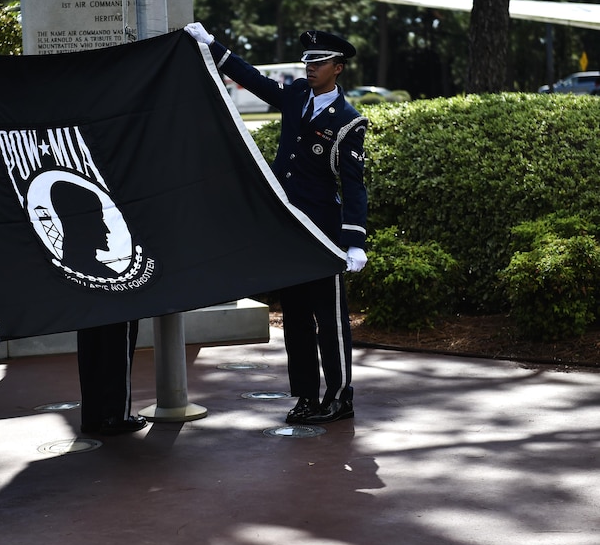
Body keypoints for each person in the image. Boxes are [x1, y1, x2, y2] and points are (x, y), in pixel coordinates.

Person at [184, 23, 368, 425]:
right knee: (296, 319)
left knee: (330, 320)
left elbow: (353, 186)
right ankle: (305, 396)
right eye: (307, 61)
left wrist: (354, 240)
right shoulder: (297, 96)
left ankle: (339, 397)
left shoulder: (349, 121)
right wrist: (213, 46)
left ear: (338, 67)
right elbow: (253, 80)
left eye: (319, 62)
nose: (310, 68)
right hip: (289, 228)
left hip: (322, 232)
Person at [49, 180, 148, 435]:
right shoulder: (104, 276)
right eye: (98, 219)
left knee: (92, 348)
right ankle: (116, 415)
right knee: (117, 345)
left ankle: (93, 416)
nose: (105, 228)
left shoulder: (74, 267)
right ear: (81, 224)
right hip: (113, 298)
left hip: (87, 295)